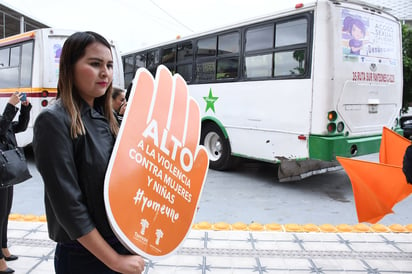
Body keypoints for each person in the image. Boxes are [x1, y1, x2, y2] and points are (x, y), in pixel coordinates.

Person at [32, 31, 145, 274]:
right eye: (95, 64)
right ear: (69, 67)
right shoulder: (53, 121)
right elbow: (68, 206)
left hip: (122, 242)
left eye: (109, 65)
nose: (105, 72)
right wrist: (114, 260)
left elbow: (129, 179)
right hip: (84, 256)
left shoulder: (111, 119)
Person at [0, 92, 31, 274]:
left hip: (6, 174)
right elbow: (2, 128)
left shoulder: (3, 119)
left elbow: (21, 126)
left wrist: (25, 108)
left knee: (4, 214)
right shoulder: (2, 120)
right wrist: (11, 106)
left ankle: (3, 247)